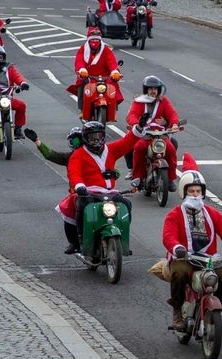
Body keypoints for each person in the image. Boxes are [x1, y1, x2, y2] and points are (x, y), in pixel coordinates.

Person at [162, 168, 222, 331]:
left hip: (208, 261)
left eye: (198, 191)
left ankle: (218, 313)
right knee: (180, 273)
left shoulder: (213, 213)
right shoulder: (174, 214)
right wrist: (177, 248)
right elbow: (168, 236)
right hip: (184, 258)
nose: (195, 194)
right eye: (191, 191)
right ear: (183, 192)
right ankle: (177, 309)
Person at [64, 120, 141, 253]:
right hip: (87, 192)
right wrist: (80, 186)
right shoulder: (78, 154)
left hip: (109, 192)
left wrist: (139, 128)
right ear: (85, 138)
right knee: (81, 205)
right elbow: (74, 173)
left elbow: (127, 142)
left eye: (99, 136)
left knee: (126, 205)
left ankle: (122, 237)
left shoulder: (110, 149)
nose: (96, 140)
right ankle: (80, 239)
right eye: (92, 137)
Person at [126, 75, 180, 182]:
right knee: (138, 148)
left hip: (160, 135)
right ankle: (138, 177)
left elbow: (172, 114)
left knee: (171, 149)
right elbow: (132, 115)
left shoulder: (164, 101)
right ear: (146, 90)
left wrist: (174, 124)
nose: (153, 91)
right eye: (150, 89)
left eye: (155, 89)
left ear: (159, 90)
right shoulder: (138, 101)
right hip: (144, 135)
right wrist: (137, 125)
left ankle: (170, 179)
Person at [68, 28, 124, 113]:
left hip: (104, 77)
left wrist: (115, 72)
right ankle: (82, 109)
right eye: (93, 39)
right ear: (89, 40)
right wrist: (82, 69)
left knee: (113, 84)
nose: (95, 41)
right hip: (88, 76)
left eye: (97, 39)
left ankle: (113, 109)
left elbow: (111, 62)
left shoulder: (106, 50)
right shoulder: (83, 49)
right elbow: (79, 61)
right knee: (82, 84)